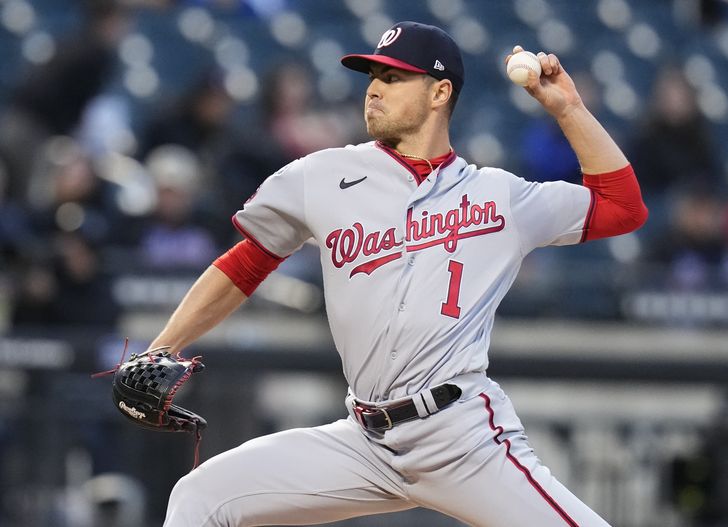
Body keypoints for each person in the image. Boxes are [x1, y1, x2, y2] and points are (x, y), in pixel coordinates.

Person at [155, 21, 647, 526]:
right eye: (373, 75)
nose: (373, 88)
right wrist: (163, 346)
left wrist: (567, 108)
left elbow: (623, 208)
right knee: (200, 496)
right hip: (364, 440)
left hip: (461, 438)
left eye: (393, 78)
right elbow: (247, 261)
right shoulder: (321, 175)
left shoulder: (499, 197)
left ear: (439, 92)